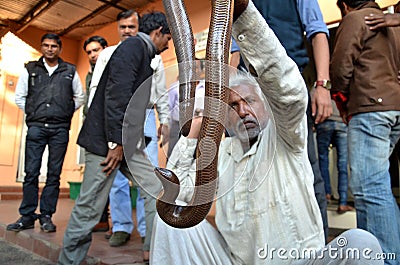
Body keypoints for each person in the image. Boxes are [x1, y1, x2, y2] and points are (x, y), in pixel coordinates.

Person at [151, 2, 383, 264]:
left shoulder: (286, 139)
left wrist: (242, 13)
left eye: (249, 101)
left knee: (362, 244)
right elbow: (179, 197)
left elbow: (287, 88)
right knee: (171, 222)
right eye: (232, 106)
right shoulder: (221, 155)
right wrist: (195, 132)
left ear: (266, 105)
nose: (242, 111)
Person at [57, 11, 171, 265]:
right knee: (89, 207)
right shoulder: (133, 48)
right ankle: (69, 262)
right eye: (168, 37)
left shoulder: (145, 53)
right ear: (158, 32)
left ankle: (154, 252)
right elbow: (116, 98)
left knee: (155, 190)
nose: (169, 44)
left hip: (128, 144)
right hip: (106, 144)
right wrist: (115, 144)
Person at [229, 0, 331, 241]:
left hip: (288, 91)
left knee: (306, 166)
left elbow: (317, 32)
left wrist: (322, 85)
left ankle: (318, 247)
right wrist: (228, 93)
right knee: (250, 170)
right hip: (251, 91)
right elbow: (234, 51)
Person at [330, 0, 400, 263]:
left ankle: (385, 259)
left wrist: (342, 94)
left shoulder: (357, 18)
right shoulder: (391, 23)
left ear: (345, 5)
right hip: (393, 108)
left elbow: (340, 66)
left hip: (370, 107)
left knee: (369, 188)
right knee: (380, 187)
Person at [9, 33, 84, 233]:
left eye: (53, 46)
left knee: (54, 174)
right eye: (46, 45)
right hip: (36, 127)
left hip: (60, 129)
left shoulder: (70, 71)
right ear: (42, 47)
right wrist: (35, 113)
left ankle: (46, 216)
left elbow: (79, 97)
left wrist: (64, 112)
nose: (50, 49)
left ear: (59, 48)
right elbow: (20, 97)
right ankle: (26, 215)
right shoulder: (30, 69)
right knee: (31, 172)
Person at [86, 9, 147, 248]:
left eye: (132, 27)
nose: (127, 31)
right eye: (123, 27)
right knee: (115, 177)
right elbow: (98, 91)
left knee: (145, 177)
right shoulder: (107, 54)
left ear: (138, 28)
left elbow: (159, 88)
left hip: (143, 118)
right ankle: (121, 226)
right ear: (118, 28)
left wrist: (161, 120)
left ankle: (146, 230)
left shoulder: (150, 53)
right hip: (111, 120)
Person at [82, 35, 111, 233]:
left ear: (105, 49)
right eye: (89, 52)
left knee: (111, 176)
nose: (93, 55)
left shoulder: (114, 68)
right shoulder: (89, 74)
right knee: (94, 176)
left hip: (108, 126)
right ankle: (99, 220)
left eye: (96, 50)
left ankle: (115, 223)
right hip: (93, 127)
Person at [316, 102, 354, 214]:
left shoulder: (319, 86)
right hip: (341, 122)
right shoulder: (340, 86)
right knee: (342, 164)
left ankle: (326, 195)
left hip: (324, 122)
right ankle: (342, 202)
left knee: (323, 161)